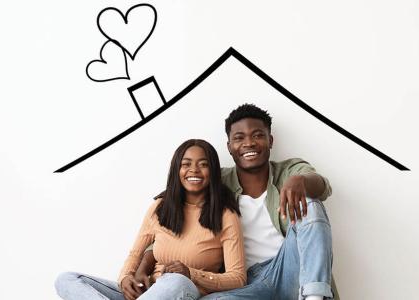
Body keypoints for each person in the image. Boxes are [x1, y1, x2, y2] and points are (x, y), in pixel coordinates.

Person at [139, 103, 336, 299]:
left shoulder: (288, 172)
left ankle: (314, 297)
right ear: (229, 147)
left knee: (311, 204)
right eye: (239, 138)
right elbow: (166, 224)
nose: (249, 143)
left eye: (258, 135)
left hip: (289, 268)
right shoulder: (215, 182)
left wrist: (301, 181)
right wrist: (142, 270)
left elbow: (322, 186)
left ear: (271, 141)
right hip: (243, 284)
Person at [55, 139, 247, 300]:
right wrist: (125, 279)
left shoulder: (226, 214)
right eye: (186, 164)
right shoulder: (160, 207)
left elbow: (238, 278)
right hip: (147, 291)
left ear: (212, 171)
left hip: (182, 291)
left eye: (203, 164)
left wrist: (191, 273)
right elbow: (135, 254)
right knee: (67, 279)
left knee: (175, 280)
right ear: (176, 170)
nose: (194, 170)